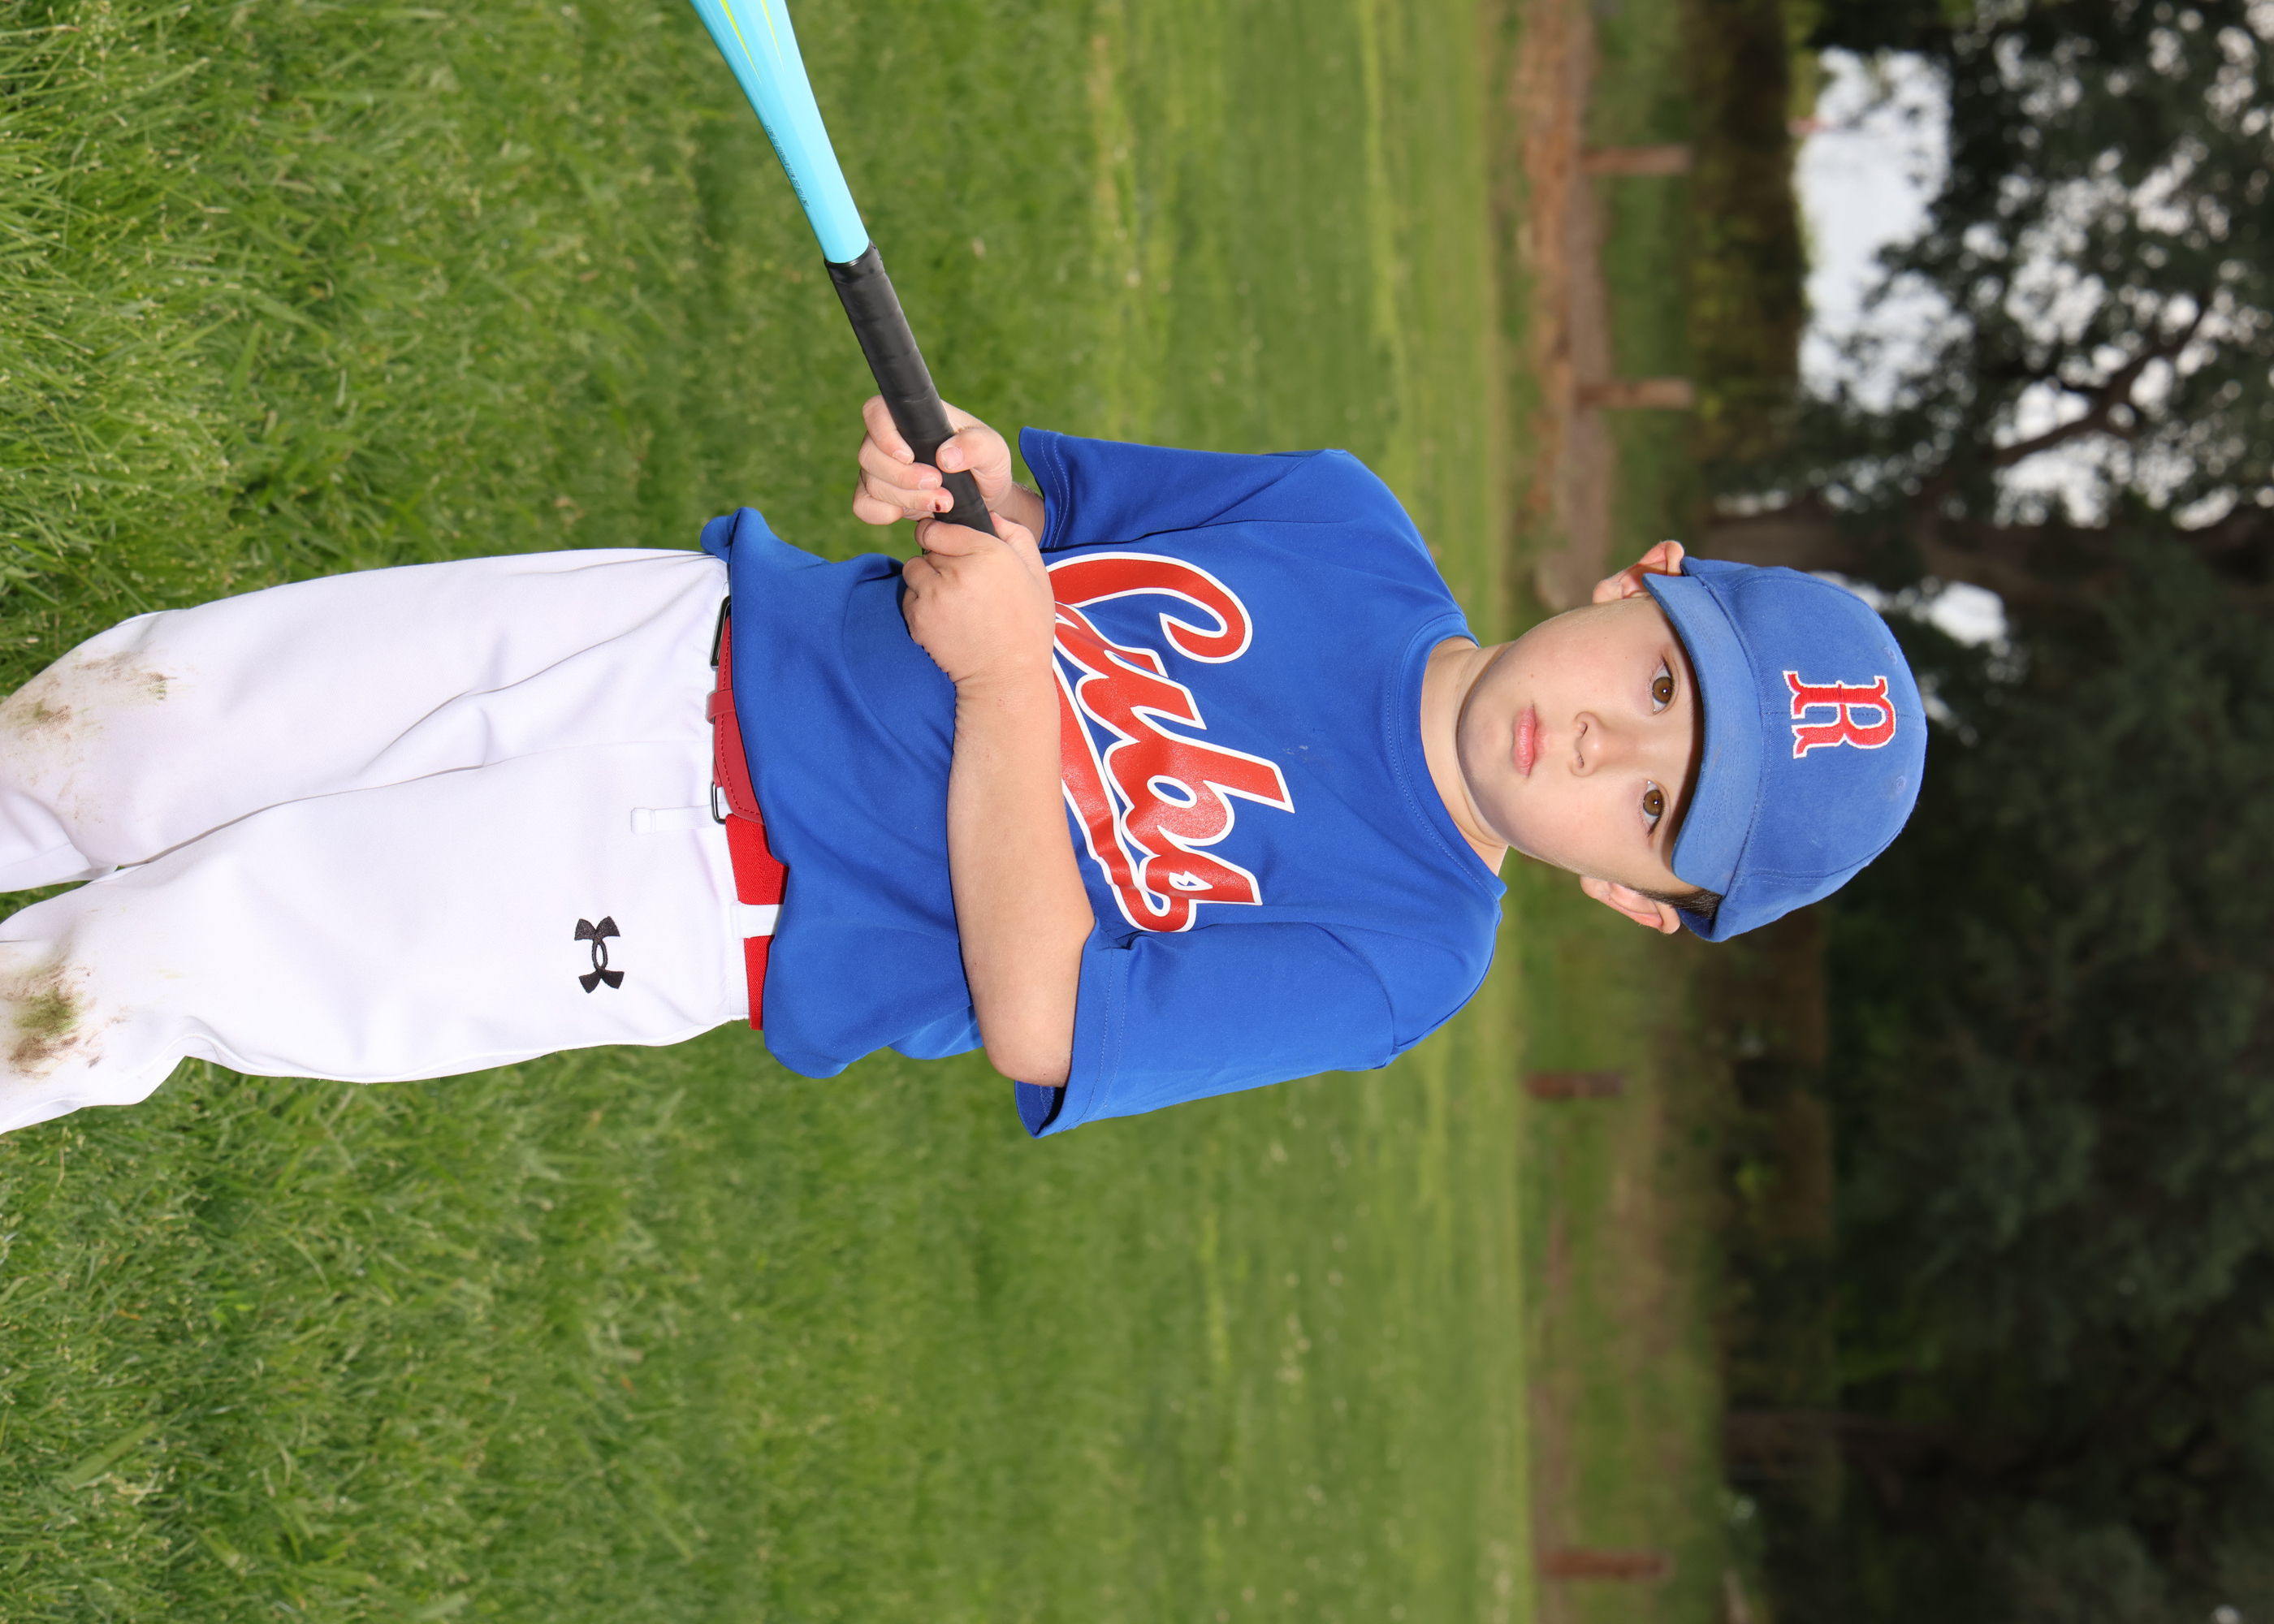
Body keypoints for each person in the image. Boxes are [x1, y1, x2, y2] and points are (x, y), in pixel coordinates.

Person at [0, 400, 1924, 1139]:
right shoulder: (1341, 520)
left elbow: (1045, 1017)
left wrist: (1011, 679)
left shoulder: (1404, 951)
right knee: (134, 716)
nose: (1597, 743)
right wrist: (970, 485)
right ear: (1636, 579)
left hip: (688, 894)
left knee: (161, 960)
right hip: (669, 632)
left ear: (1630, 898)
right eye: (1656, 685)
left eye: (1649, 808)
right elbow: (1042, 505)